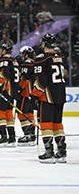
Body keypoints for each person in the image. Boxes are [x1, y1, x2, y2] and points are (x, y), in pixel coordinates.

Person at [32, 34, 67, 163]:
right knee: (57, 124)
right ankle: (62, 151)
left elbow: (41, 82)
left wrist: (34, 95)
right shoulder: (59, 57)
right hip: (60, 94)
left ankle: (49, 152)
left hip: (48, 96)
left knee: (46, 124)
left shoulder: (42, 59)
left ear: (44, 44)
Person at [0, 42, 19, 147]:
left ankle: (3, 137)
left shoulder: (4, 60)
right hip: (13, 90)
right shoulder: (14, 60)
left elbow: (4, 75)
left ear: (4, 50)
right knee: (8, 113)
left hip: (5, 90)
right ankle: (12, 138)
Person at [17, 46, 37, 146]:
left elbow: (24, 79)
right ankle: (32, 134)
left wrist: (18, 90)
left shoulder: (26, 64)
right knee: (29, 113)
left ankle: (27, 134)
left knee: (21, 113)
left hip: (25, 93)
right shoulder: (35, 64)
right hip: (33, 94)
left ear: (26, 54)